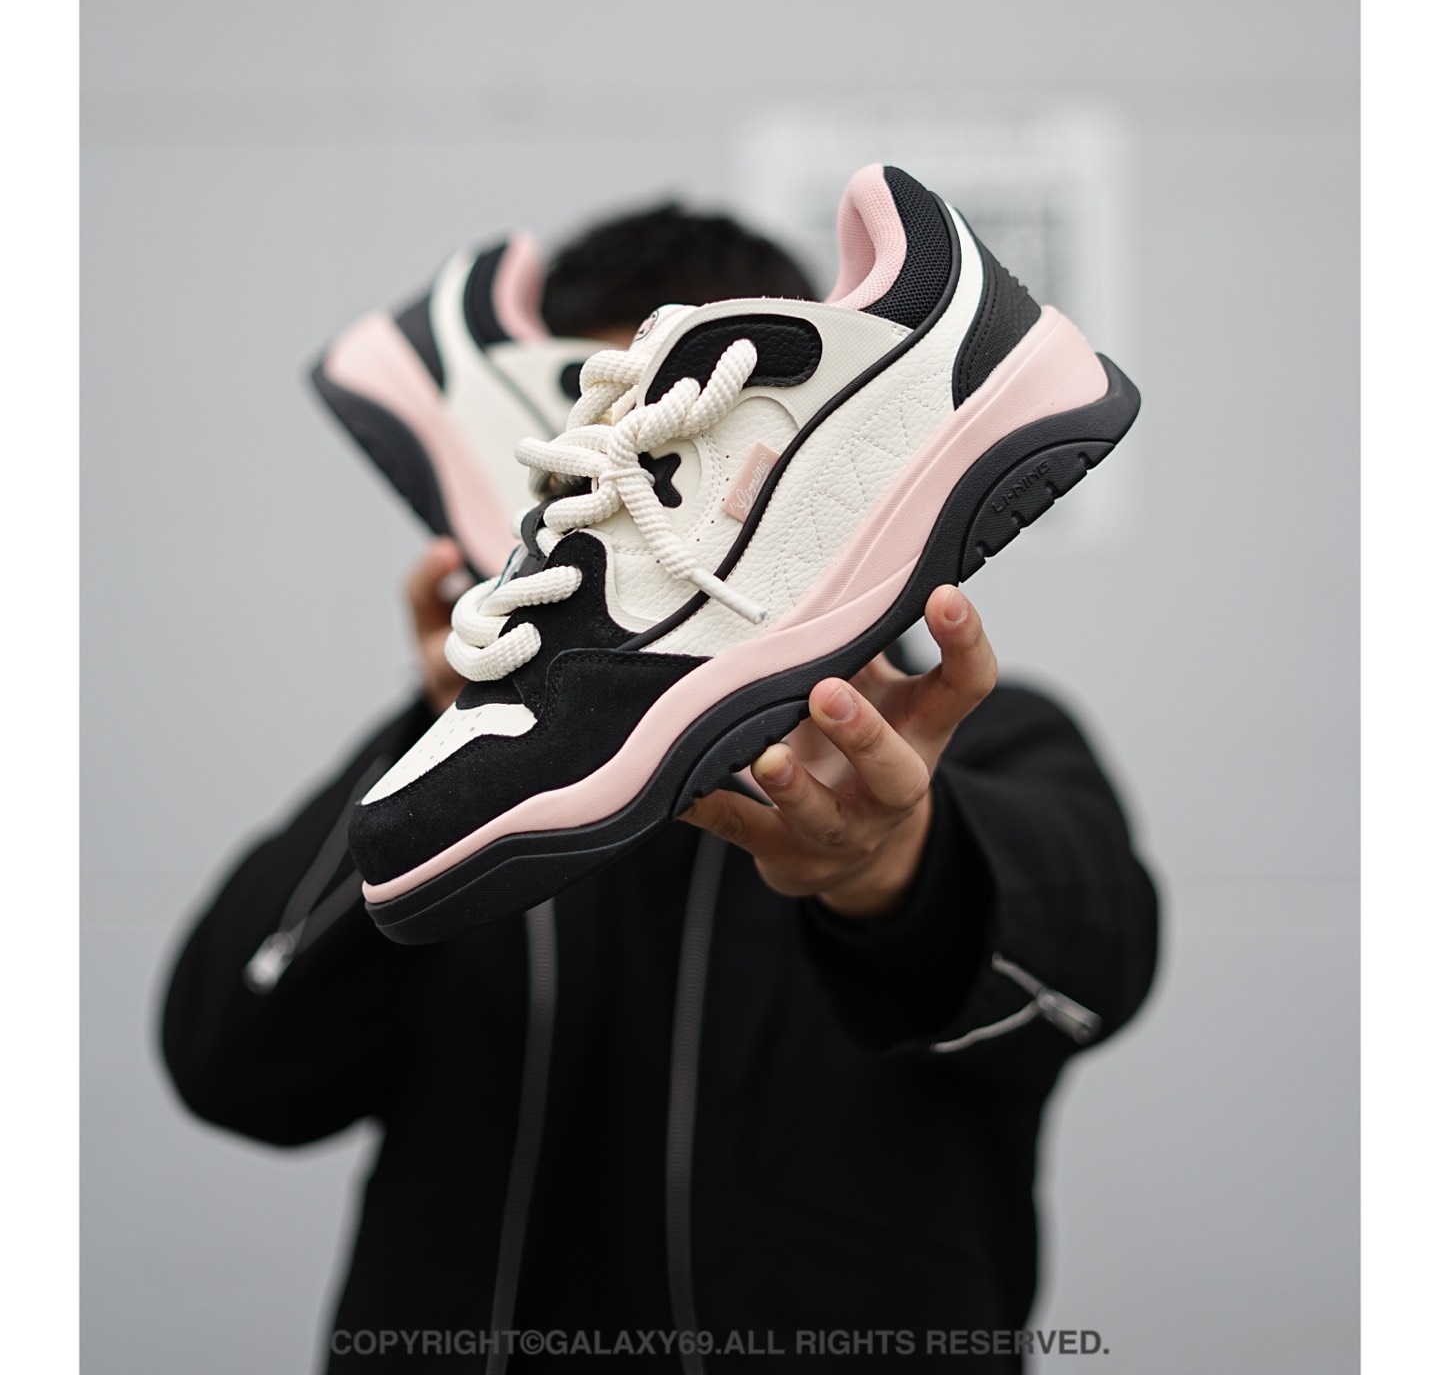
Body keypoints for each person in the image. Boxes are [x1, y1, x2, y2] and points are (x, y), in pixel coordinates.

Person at [160, 201, 1159, 1374]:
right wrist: (439, 726)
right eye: (599, 450)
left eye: (671, 457)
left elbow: (1092, 979)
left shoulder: (977, 738)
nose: (625, 480)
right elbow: (234, 1065)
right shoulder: (423, 779)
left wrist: (894, 869)